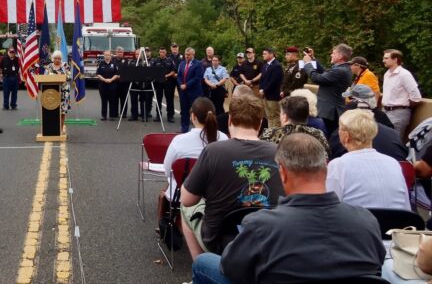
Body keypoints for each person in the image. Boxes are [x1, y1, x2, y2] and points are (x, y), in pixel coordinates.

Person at [191, 134, 386, 284]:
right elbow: (377, 267)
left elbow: (230, 267)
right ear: (325, 168)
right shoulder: (366, 221)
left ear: (282, 173)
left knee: (203, 262)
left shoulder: (262, 226)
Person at [180, 95, 284, 259]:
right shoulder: (279, 152)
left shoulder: (213, 151)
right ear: (260, 123)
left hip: (218, 240)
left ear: (229, 121)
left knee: (185, 208)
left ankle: (201, 270)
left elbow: (187, 199)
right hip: (269, 239)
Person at [326, 109, 410, 210]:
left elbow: (329, 207)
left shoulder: (338, 165)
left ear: (346, 136)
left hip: (358, 223)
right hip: (397, 223)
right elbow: (406, 207)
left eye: (339, 129)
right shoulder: (393, 163)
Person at [160, 98, 228, 216]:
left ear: (193, 116)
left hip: (184, 193)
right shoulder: (224, 139)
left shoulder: (179, 141)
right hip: (215, 193)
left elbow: (167, 171)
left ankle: (166, 227)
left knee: (166, 190)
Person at [302, 43, 353, 135]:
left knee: (326, 138)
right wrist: (313, 58)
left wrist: (308, 64)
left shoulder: (339, 71)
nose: (331, 55)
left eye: (333, 53)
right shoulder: (343, 68)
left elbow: (316, 78)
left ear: (340, 56)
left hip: (330, 112)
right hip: (331, 111)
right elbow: (325, 73)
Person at [260, 96, 330, 156]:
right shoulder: (318, 134)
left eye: (281, 113)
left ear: (285, 117)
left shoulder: (270, 134)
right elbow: (326, 155)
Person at [382, 48, 422, 138]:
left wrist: (402, 107)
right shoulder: (387, 74)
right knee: (385, 140)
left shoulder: (404, 74)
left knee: (395, 142)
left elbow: (416, 96)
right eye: (384, 58)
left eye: (386, 58)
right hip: (385, 112)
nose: (383, 60)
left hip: (398, 114)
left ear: (395, 59)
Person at [177, 48, 204, 133]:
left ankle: (197, 130)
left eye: (188, 55)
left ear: (193, 55)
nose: (186, 56)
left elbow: (197, 78)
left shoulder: (198, 64)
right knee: (184, 111)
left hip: (194, 92)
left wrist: (187, 85)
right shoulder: (182, 63)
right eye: (185, 54)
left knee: (195, 111)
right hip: (183, 92)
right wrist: (181, 84)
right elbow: (179, 76)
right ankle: (184, 129)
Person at [258, 48, 283, 129]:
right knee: (268, 116)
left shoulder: (277, 66)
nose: (263, 55)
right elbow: (262, 79)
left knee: (274, 116)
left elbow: (273, 81)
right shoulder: (265, 65)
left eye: (265, 53)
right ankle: (270, 133)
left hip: (273, 96)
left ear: (271, 54)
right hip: (265, 95)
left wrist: (264, 90)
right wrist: (261, 89)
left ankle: (275, 135)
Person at [45, 50, 72, 124]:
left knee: (62, 110)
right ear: (52, 58)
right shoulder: (49, 66)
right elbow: (44, 78)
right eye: (55, 58)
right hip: (51, 91)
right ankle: (52, 127)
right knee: (52, 108)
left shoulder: (65, 65)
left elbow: (69, 77)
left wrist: (61, 77)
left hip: (64, 91)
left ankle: (61, 127)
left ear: (61, 59)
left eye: (59, 58)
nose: (57, 60)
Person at [152, 47, 176, 121]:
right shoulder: (155, 61)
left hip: (168, 82)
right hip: (158, 83)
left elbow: (173, 71)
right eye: (161, 52)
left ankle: (170, 116)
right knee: (158, 99)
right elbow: (152, 71)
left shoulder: (170, 60)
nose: (162, 53)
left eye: (163, 52)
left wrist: (166, 76)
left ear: (166, 53)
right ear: (159, 52)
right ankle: (158, 115)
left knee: (169, 99)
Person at [96, 50, 119, 120]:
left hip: (112, 85)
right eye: (105, 55)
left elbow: (117, 74)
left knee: (112, 100)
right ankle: (104, 116)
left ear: (110, 56)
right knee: (104, 101)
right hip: (103, 85)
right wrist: (104, 79)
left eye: (108, 55)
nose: (107, 56)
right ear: (104, 56)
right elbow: (98, 74)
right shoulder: (101, 64)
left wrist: (111, 79)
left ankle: (112, 116)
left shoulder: (114, 64)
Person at [165, 43, 182, 122]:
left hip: (180, 78)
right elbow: (165, 68)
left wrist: (178, 74)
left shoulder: (183, 57)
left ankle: (184, 113)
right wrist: (172, 74)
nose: (174, 49)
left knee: (182, 97)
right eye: (173, 47)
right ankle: (170, 115)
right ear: (171, 48)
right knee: (169, 97)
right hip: (170, 79)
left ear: (178, 48)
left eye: (176, 47)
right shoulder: (167, 57)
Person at [0, 46, 20, 110]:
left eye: (13, 52)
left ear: (15, 52)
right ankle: (6, 106)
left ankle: (13, 105)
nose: (11, 53)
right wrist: (0, 75)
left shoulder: (17, 59)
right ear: (8, 52)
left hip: (15, 77)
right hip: (7, 78)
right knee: (6, 92)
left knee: (14, 93)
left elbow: (21, 67)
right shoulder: (4, 59)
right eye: (10, 51)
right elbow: (0, 67)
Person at [114, 46, 131, 119]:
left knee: (124, 99)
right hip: (115, 82)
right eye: (118, 52)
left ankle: (123, 113)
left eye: (121, 52)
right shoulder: (113, 60)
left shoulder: (126, 60)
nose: (120, 53)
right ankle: (115, 113)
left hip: (124, 83)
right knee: (115, 98)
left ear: (123, 53)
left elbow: (128, 71)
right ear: (116, 53)